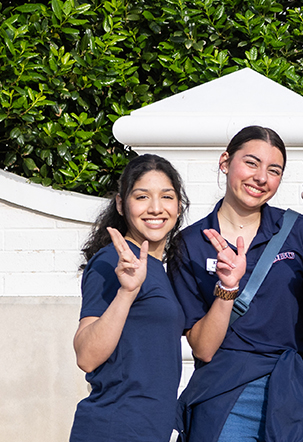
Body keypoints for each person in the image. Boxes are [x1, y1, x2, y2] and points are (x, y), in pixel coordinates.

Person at [173, 126, 303, 442]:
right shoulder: (190, 244)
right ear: (225, 162)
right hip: (224, 393)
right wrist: (227, 290)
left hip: (292, 388)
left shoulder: (299, 232)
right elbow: (202, 348)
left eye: (274, 170)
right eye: (251, 163)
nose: (261, 177)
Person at [71, 154, 189, 441]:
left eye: (166, 197)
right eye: (142, 197)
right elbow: (86, 356)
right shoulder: (112, 261)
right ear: (121, 205)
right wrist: (126, 292)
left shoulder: (160, 268)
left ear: (179, 206)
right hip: (114, 427)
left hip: (148, 429)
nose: (156, 208)